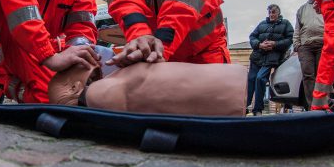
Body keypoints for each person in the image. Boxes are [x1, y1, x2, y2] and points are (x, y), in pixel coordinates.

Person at [48, 58, 246, 116]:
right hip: (226, 87)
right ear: (75, 88)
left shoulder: (109, 85)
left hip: (223, 91)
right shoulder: (102, 91)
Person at [246, 4, 294, 116]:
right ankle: (244, 106)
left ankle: (257, 109)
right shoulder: (262, 24)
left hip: (272, 57)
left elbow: (290, 39)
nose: (271, 14)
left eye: (273, 12)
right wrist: (259, 44)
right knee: (251, 80)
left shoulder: (285, 23)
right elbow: (252, 37)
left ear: (278, 13)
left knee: (260, 78)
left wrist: (275, 44)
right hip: (257, 56)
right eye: (269, 12)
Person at [293, 0, 324, 110]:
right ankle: (313, 106)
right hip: (306, 47)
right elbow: (297, 29)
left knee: (323, 75)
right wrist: (297, 45)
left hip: (323, 43)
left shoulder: (324, 6)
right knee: (308, 76)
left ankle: (324, 103)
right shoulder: (301, 10)